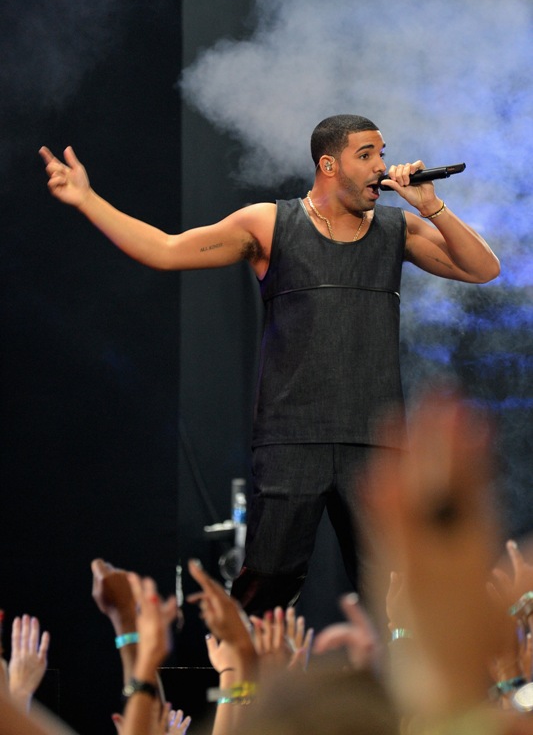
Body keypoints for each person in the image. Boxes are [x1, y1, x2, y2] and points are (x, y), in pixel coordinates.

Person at [40, 114, 500, 614]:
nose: (380, 167)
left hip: (376, 441)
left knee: (393, 590)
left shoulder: (397, 228)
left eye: (382, 154)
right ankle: (243, 665)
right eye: (366, 155)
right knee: (268, 584)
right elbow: (166, 250)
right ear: (329, 164)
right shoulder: (269, 223)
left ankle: (397, 667)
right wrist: (87, 199)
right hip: (292, 439)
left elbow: (484, 269)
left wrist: (433, 208)